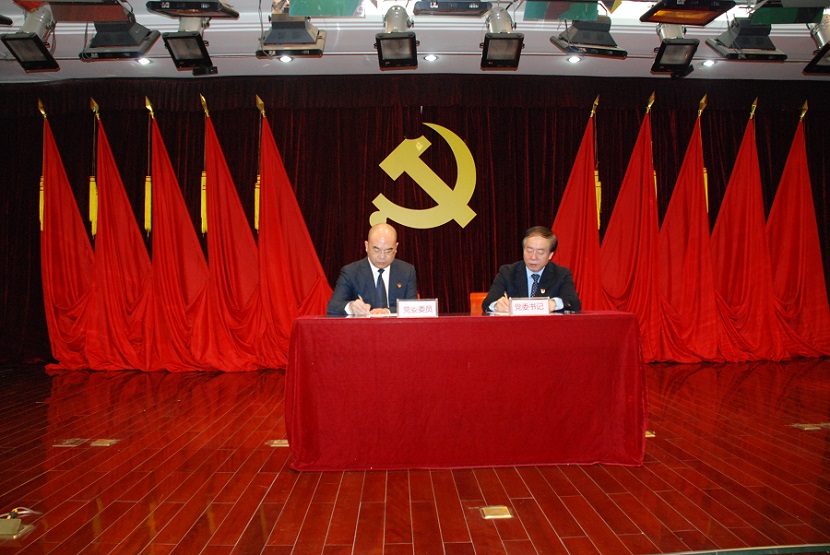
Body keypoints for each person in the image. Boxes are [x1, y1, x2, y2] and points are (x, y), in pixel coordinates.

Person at [482, 226, 581, 314]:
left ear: (550, 255)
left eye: (540, 252)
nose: (533, 257)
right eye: (529, 251)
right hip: (515, 326)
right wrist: (496, 305)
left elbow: (574, 303)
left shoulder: (561, 274)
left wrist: (553, 304)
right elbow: (488, 302)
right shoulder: (507, 272)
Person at [327, 223, 418, 316]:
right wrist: (351, 307)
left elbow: (414, 307)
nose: (382, 256)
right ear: (366, 246)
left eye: (388, 251)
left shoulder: (406, 271)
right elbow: (333, 307)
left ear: (396, 248)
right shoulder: (351, 272)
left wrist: (388, 311)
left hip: (396, 325)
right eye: (376, 250)